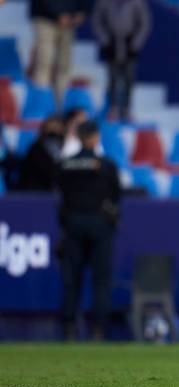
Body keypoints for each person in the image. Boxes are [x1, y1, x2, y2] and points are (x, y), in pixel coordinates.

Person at [57, 121, 121, 340]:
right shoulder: (106, 165)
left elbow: (61, 195)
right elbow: (116, 196)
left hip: (73, 223)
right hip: (99, 224)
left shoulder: (66, 164)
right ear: (94, 137)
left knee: (71, 279)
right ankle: (98, 330)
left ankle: (68, 329)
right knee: (101, 280)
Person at [91, 0, 152, 122]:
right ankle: (112, 108)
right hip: (112, 44)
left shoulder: (137, 3)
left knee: (129, 78)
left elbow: (144, 24)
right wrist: (106, 41)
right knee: (113, 77)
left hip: (129, 44)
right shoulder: (104, 3)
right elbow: (97, 21)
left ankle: (126, 109)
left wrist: (135, 44)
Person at [30, 0, 88, 104]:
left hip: (69, 21)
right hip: (45, 17)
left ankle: (60, 104)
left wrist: (81, 10)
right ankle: (41, 104)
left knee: (64, 65)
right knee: (45, 61)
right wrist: (59, 12)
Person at [19, 115, 65, 191]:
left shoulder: (65, 145)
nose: (54, 131)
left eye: (57, 128)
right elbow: (46, 170)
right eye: (51, 128)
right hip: (35, 190)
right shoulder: (37, 148)